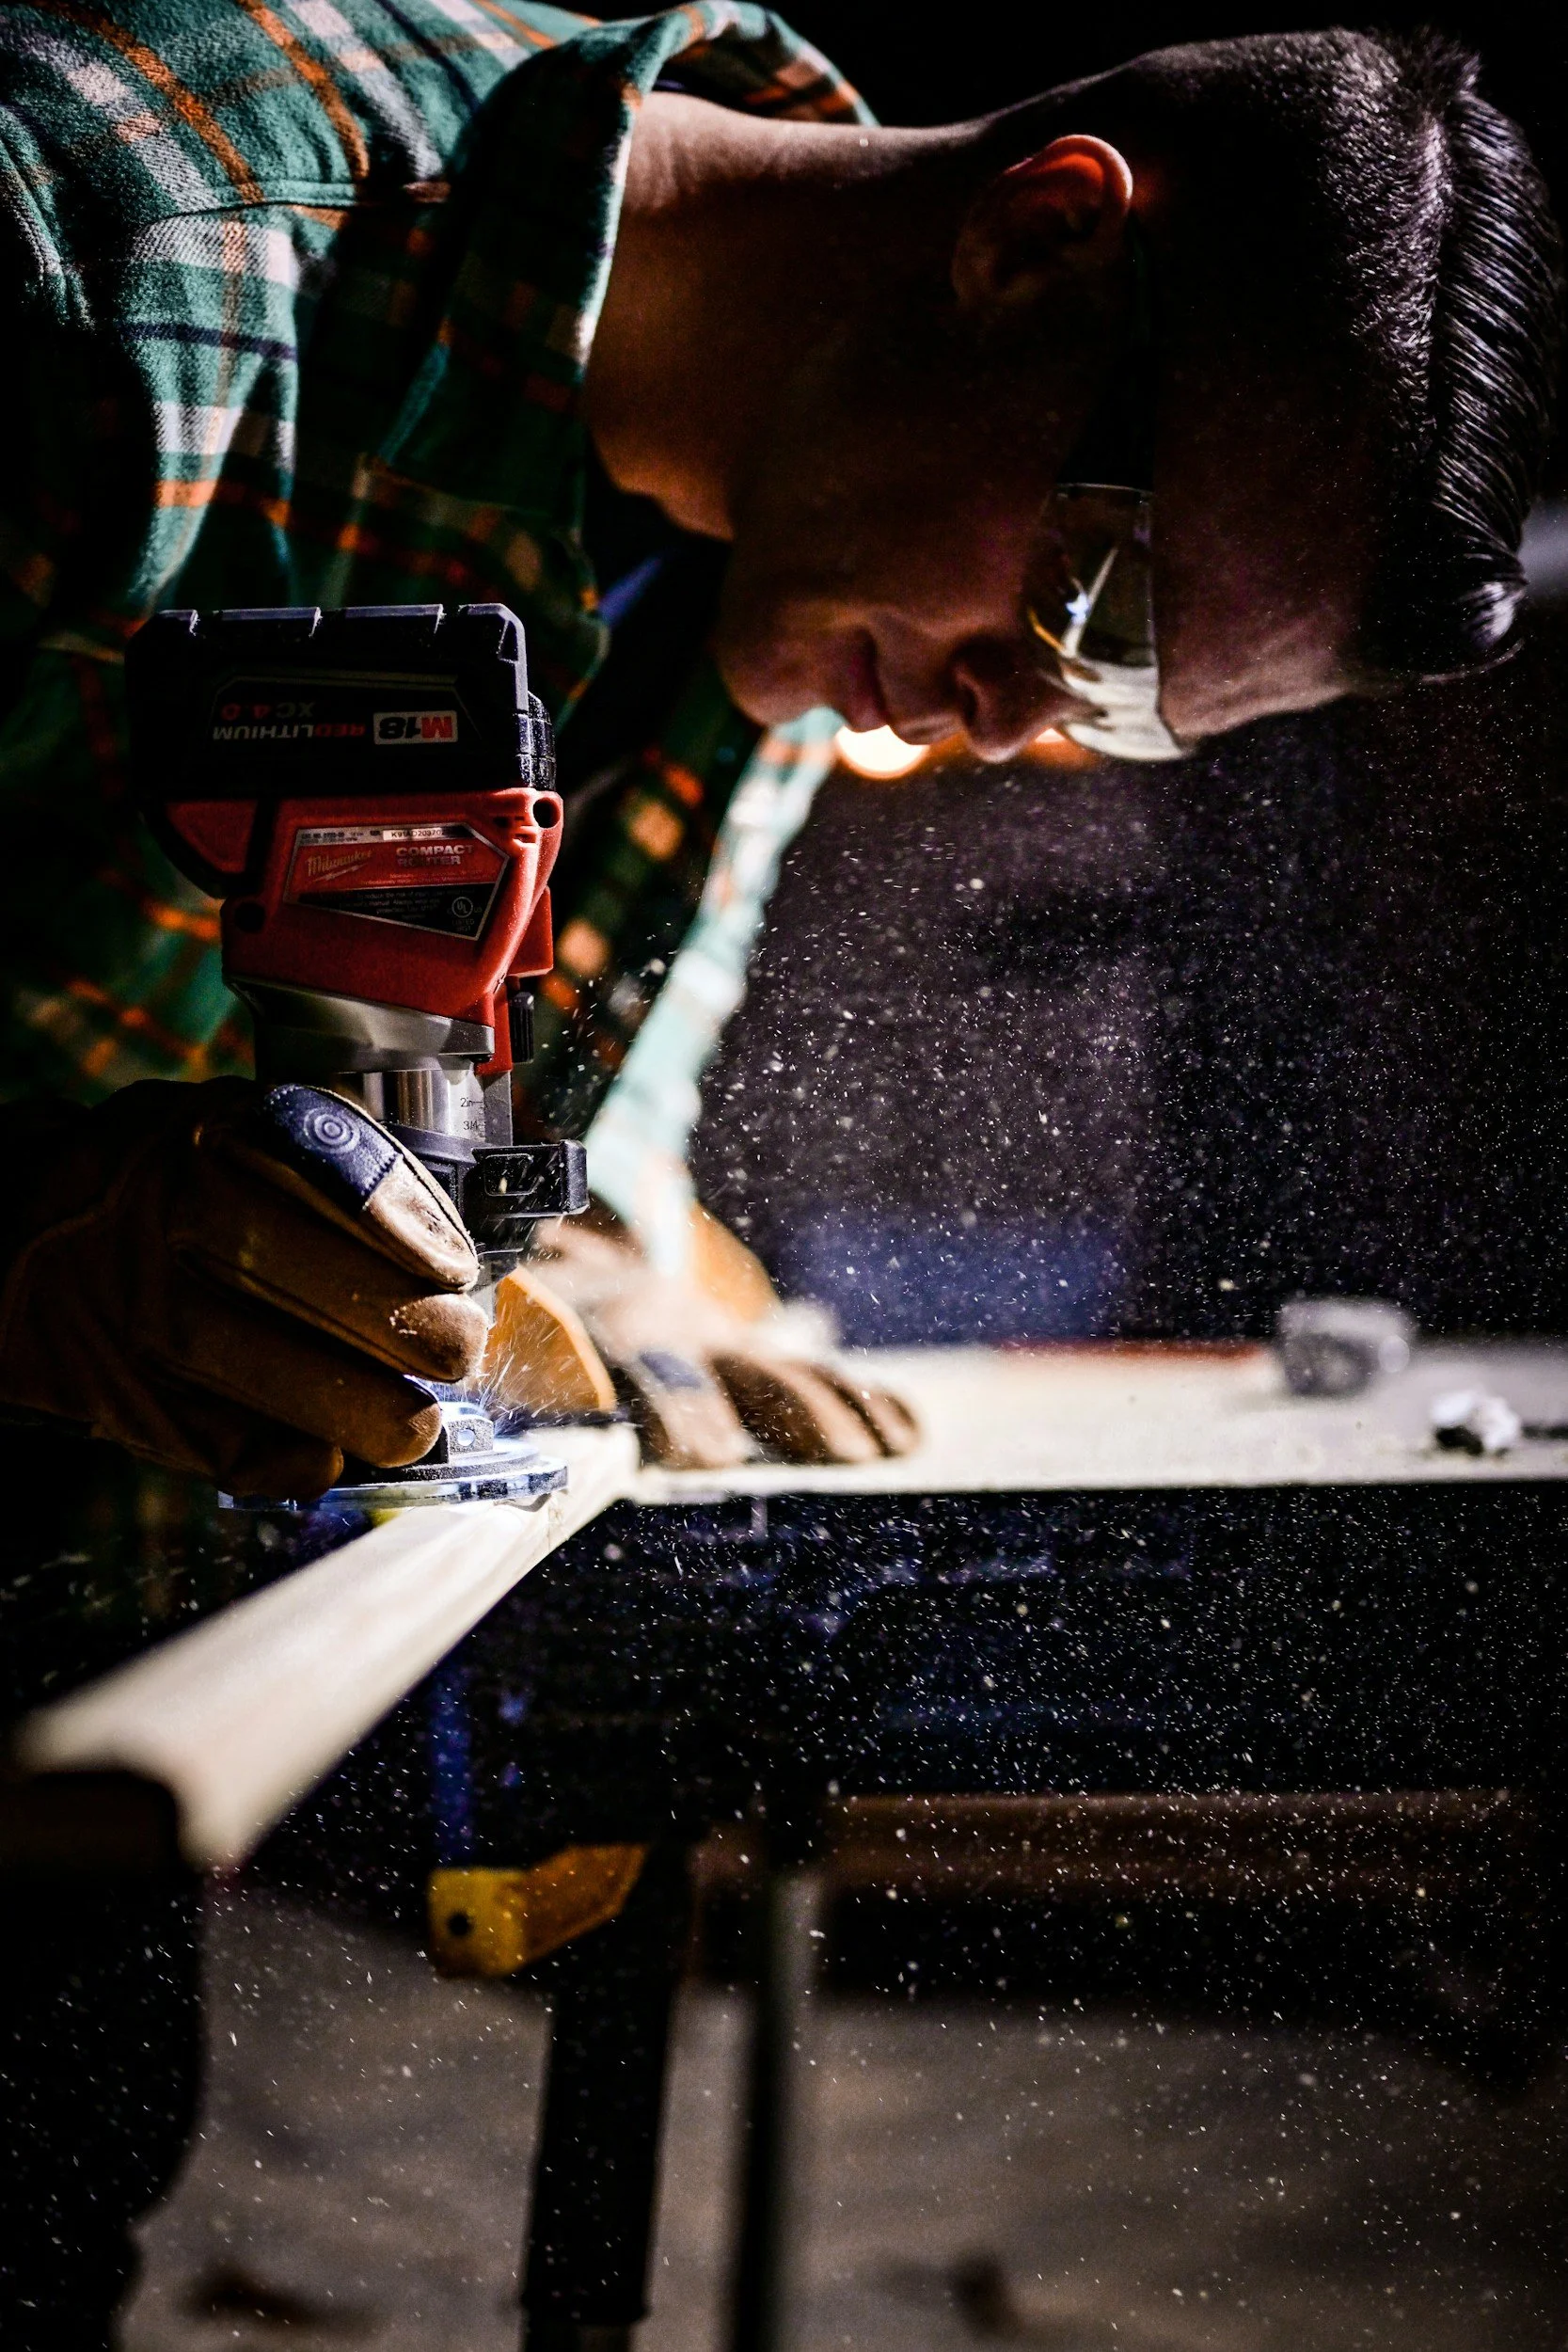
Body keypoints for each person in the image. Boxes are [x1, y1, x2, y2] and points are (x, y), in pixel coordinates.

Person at [0, 2, 1558, 1486]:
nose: (1003, 720)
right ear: (1033, 243)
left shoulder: (802, 579)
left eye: (1119, 709)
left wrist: (601, 1289)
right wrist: (29, 1236)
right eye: (1092, 604)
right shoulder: (96, 267)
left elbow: (584, 1148)